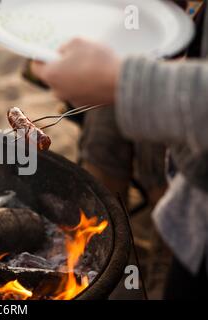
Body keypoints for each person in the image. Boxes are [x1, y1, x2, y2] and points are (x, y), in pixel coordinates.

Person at [31, 6, 208, 298]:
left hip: (194, 214)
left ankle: (153, 271)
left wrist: (125, 82)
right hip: (148, 56)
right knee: (102, 140)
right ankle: (101, 255)